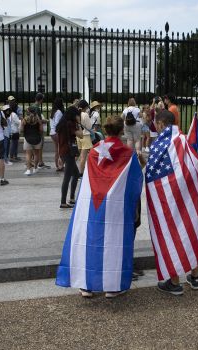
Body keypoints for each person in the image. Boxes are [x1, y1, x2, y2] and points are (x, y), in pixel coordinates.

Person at [56, 114, 143, 299]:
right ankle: (112, 287)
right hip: (117, 207)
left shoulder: (95, 150)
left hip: (93, 205)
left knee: (91, 241)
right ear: (121, 131)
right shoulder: (127, 153)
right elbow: (135, 181)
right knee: (114, 243)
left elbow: (88, 177)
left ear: (105, 130)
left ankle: (87, 285)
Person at [147, 110, 198, 296]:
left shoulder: (160, 143)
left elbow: (153, 172)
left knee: (172, 228)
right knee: (190, 226)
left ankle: (174, 282)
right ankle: (195, 277)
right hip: (190, 189)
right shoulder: (185, 139)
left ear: (160, 124)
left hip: (171, 192)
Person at [56, 106, 82, 209]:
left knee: (75, 174)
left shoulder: (62, 123)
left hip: (63, 151)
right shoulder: (70, 124)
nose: (78, 116)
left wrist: (59, 154)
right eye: (77, 115)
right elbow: (81, 135)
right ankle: (63, 201)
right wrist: (79, 123)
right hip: (68, 152)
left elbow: (59, 140)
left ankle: (71, 198)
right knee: (67, 176)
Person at [29, 93, 50, 169]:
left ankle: (31, 161)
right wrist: (45, 121)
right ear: (41, 100)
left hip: (31, 129)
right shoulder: (37, 108)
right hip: (37, 130)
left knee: (32, 147)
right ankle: (39, 162)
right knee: (39, 147)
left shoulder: (31, 106)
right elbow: (39, 120)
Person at [20, 109, 43, 175]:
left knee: (28, 155)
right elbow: (41, 130)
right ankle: (35, 168)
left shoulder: (25, 120)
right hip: (37, 138)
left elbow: (21, 130)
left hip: (27, 138)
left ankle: (28, 170)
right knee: (36, 154)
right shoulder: (38, 120)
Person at [76, 100, 92, 174]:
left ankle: (73, 169)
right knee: (83, 157)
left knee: (78, 155)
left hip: (78, 136)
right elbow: (89, 126)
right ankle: (81, 173)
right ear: (85, 107)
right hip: (85, 136)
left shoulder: (76, 114)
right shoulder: (85, 115)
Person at [50, 97, 65, 171]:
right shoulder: (59, 112)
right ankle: (60, 165)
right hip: (57, 133)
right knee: (60, 150)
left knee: (57, 149)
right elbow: (57, 123)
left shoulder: (53, 111)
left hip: (52, 133)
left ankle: (57, 165)